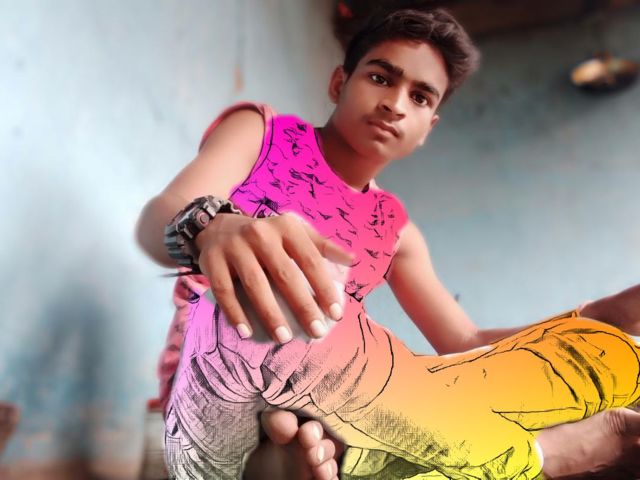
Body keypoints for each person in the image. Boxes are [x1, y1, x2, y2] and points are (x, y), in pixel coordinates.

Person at [135, 8, 640, 479]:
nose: (395, 105)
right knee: (304, 316)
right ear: (340, 83)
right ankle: (535, 457)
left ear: (428, 127)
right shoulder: (262, 134)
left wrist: (598, 316)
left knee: (607, 355)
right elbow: (161, 215)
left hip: (330, 402)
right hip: (218, 376)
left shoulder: (396, 232)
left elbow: (465, 343)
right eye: (380, 78)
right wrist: (212, 226)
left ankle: (336, 449)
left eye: (420, 97)